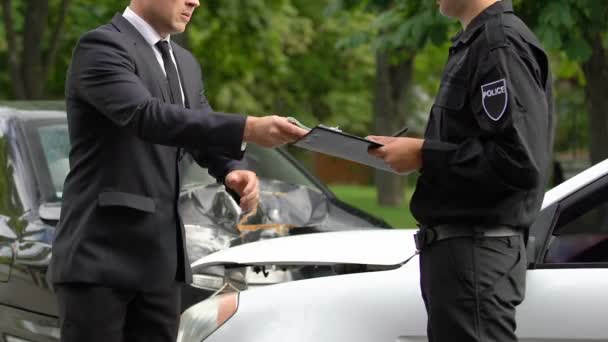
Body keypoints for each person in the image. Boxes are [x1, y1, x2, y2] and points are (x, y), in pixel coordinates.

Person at [48, 1, 308, 341]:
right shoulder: (101, 46)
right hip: (100, 261)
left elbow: (198, 130)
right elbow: (147, 116)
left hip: (161, 266)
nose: (195, 1)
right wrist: (248, 127)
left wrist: (231, 169)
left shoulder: (184, 62)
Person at [368, 0, 553, 341]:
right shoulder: (478, 42)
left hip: (476, 255)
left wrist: (425, 154)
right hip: (463, 256)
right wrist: (420, 151)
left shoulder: (500, 43)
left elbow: (519, 160)